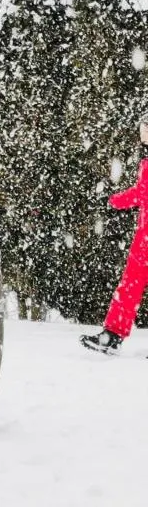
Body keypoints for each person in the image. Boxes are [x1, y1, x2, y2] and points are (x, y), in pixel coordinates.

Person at [81, 112, 148, 355]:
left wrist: (113, 201)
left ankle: (112, 335)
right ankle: (112, 334)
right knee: (129, 286)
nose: (142, 131)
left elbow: (142, 194)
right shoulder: (146, 159)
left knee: (130, 286)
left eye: (146, 126)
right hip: (144, 237)